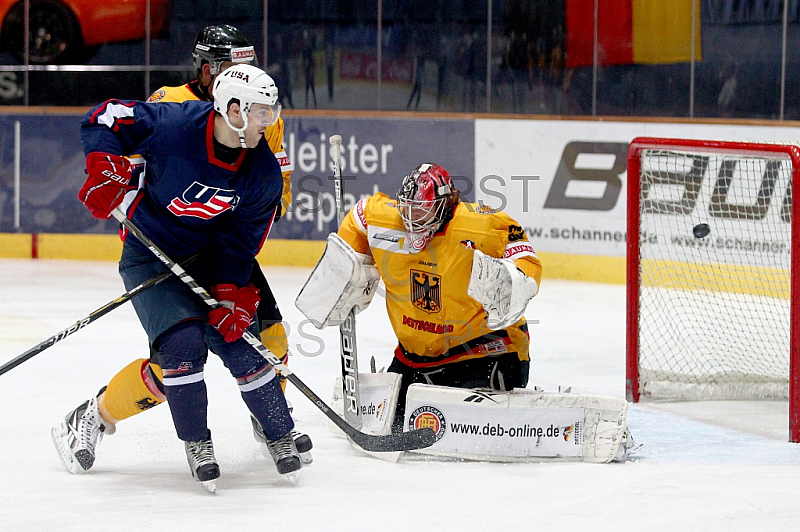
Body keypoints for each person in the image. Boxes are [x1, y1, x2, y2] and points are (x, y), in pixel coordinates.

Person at [51, 25, 313, 476]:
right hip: (162, 243)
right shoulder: (172, 106)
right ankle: (95, 415)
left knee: (264, 339)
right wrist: (107, 171)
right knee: (177, 358)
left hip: (221, 249)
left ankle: (271, 421)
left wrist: (236, 282)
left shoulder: (260, 116)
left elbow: (265, 191)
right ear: (213, 73)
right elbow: (135, 156)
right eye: (234, 68)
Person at [296, 163, 542, 431]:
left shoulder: (482, 225)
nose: (413, 217)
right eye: (408, 208)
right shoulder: (384, 220)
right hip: (415, 358)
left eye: (423, 209)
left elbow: (526, 260)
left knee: (466, 423)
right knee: (395, 424)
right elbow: (358, 217)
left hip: (482, 351)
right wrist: (349, 263)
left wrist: (515, 281)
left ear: (446, 203)